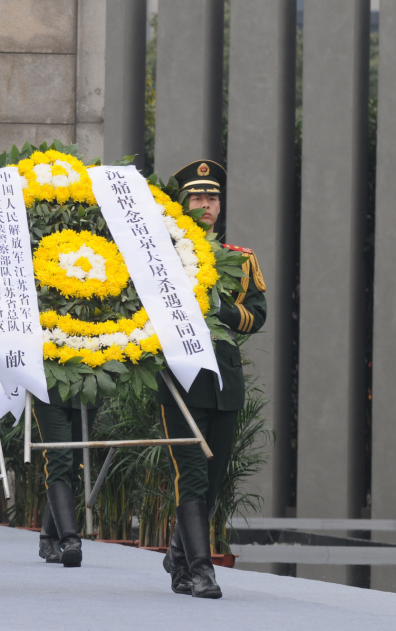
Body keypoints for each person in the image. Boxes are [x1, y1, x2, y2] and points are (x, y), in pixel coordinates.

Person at [157, 160, 266, 599]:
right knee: (192, 477)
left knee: (214, 478)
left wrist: (219, 309)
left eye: (213, 197)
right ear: (183, 203)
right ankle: (202, 571)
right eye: (198, 197)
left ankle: (178, 557)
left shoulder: (240, 259)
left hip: (224, 381)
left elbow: (257, 315)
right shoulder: (162, 256)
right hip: (180, 380)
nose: (206, 204)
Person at [32, 395, 95, 567]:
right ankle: (70, 541)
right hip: (50, 389)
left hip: (87, 389)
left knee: (75, 467)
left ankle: (49, 538)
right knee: (59, 460)